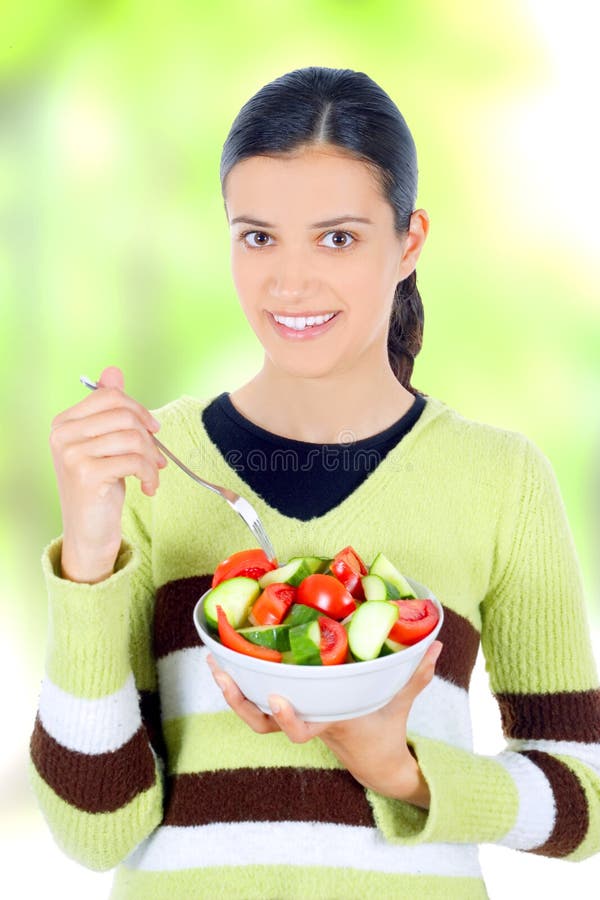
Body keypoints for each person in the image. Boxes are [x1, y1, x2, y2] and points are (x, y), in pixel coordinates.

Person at [29, 65, 600, 900]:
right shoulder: (157, 464)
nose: (289, 282)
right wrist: (86, 556)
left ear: (409, 242)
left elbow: (585, 802)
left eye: (337, 237)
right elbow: (94, 830)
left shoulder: (501, 479)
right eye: (258, 236)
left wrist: (406, 774)